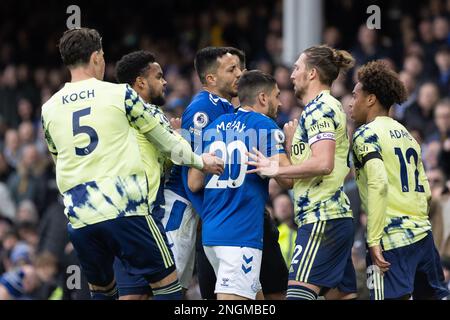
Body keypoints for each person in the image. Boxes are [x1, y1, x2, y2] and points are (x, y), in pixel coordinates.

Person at [40, 28, 223, 300]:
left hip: (80, 218)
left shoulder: (48, 109)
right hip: (125, 211)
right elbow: (164, 140)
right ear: (96, 58)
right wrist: (200, 161)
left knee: (102, 292)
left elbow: (59, 159)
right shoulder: (120, 95)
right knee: (168, 286)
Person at [247, 45, 357, 300]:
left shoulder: (321, 108)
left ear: (312, 73)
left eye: (297, 67)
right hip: (327, 216)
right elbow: (293, 180)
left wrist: (274, 166)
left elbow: (323, 163)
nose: (292, 73)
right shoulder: (313, 111)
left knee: (296, 295)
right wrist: (288, 147)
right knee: (342, 296)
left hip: (323, 218)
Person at [349, 60, 449, 300]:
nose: (351, 103)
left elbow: (378, 183)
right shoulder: (407, 135)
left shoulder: (365, 134)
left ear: (371, 99)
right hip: (422, 236)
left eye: (355, 95)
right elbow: (425, 191)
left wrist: (373, 240)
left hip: (389, 238)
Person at [188, 70, 292, 300]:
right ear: (263, 98)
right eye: (276, 96)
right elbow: (288, 179)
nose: (280, 102)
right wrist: (290, 144)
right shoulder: (265, 126)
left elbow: (194, 182)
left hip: (212, 235)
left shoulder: (214, 126)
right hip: (240, 237)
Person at [163, 46, 243, 293]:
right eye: (232, 69)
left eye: (240, 67)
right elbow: (192, 175)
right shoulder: (203, 110)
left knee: (180, 286)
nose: (240, 74)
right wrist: (210, 214)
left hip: (198, 210)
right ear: (211, 78)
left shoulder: (225, 106)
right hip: (182, 205)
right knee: (167, 285)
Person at [113, 50, 179, 299]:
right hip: (146, 216)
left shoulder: (115, 115)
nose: (165, 82)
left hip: (117, 213)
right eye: (159, 76)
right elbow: (176, 156)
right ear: (140, 82)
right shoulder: (150, 114)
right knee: (170, 291)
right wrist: (178, 138)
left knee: (132, 295)